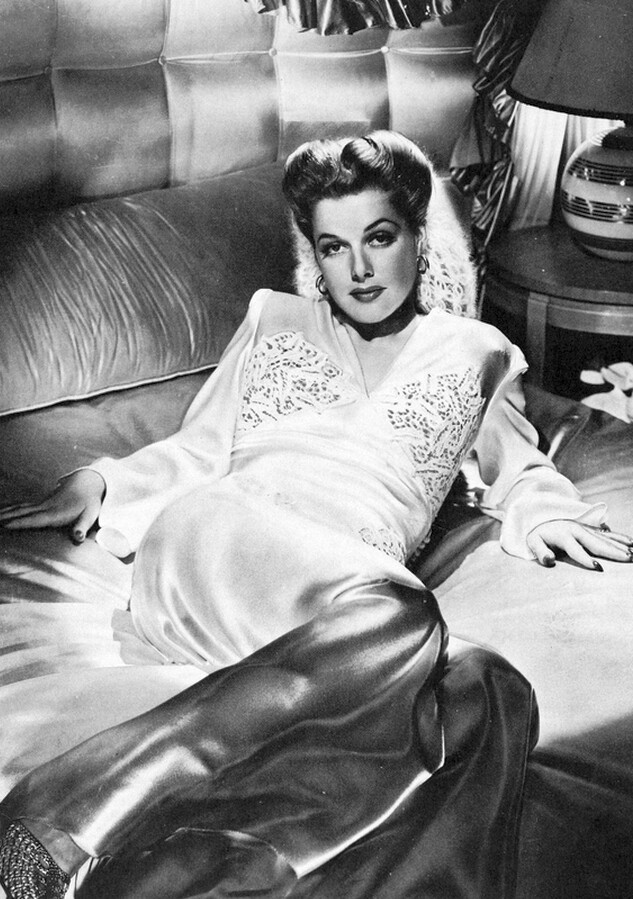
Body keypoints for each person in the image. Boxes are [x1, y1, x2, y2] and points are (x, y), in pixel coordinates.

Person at [0, 131, 631, 899]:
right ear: (315, 254)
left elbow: (515, 460)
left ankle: (191, 876)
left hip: (347, 600)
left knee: (488, 690)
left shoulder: (475, 349)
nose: (358, 268)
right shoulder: (276, 318)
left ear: (416, 235)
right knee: (400, 612)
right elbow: (198, 444)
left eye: (378, 237)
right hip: (227, 535)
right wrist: (103, 480)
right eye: (334, 247)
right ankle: (61, 815)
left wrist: (544, 509)